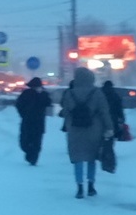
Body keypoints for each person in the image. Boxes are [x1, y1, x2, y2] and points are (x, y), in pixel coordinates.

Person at [61, 67, 114, 199]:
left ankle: (79, 188)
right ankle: (91, 186)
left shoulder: (69, 93)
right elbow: (104, 112)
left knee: (77, 158)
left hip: (75, 130)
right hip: (94, 129)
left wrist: (69, 126)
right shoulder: (97, 93)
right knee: (91, 158)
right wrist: (109, 127)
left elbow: (65, 112)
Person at [15, 77, 53, 165]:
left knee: (35, 141)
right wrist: (23, 114)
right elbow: (19, 105)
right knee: (26, 141)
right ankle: (30, 154)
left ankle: (33, 158)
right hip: (29, 121)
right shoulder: (26, 93)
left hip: (35, 122)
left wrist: (41, 94)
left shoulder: (43, 94)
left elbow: (48, 103)